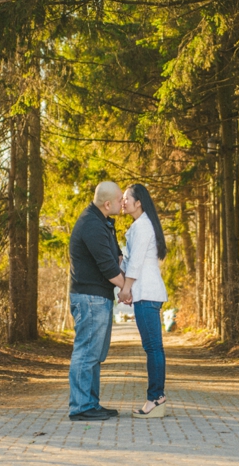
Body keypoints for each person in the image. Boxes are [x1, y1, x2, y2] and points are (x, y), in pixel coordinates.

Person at [68, 181, 126, 422]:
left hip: (98, 297)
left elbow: (117, 256)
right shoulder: (92, 224)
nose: (124, 203)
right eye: (120, 199)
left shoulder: (103, 222)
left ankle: (91, 403)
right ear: (107, 203)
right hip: (89, 298)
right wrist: (127, 289)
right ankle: (81, 407)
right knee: (86, 352)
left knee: (95, 353)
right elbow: (108, 266)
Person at [118, 183, 169, 418]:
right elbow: (130, 261)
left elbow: (136, 262)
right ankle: (156, 397)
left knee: (152, 348)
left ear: (138, 202)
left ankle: (156, 399)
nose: (123, 201)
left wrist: (126, 289)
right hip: (145, 294)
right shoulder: (141, 225)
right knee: (153, 348)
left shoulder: (142, 226)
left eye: (127, 198)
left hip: (146, 293)